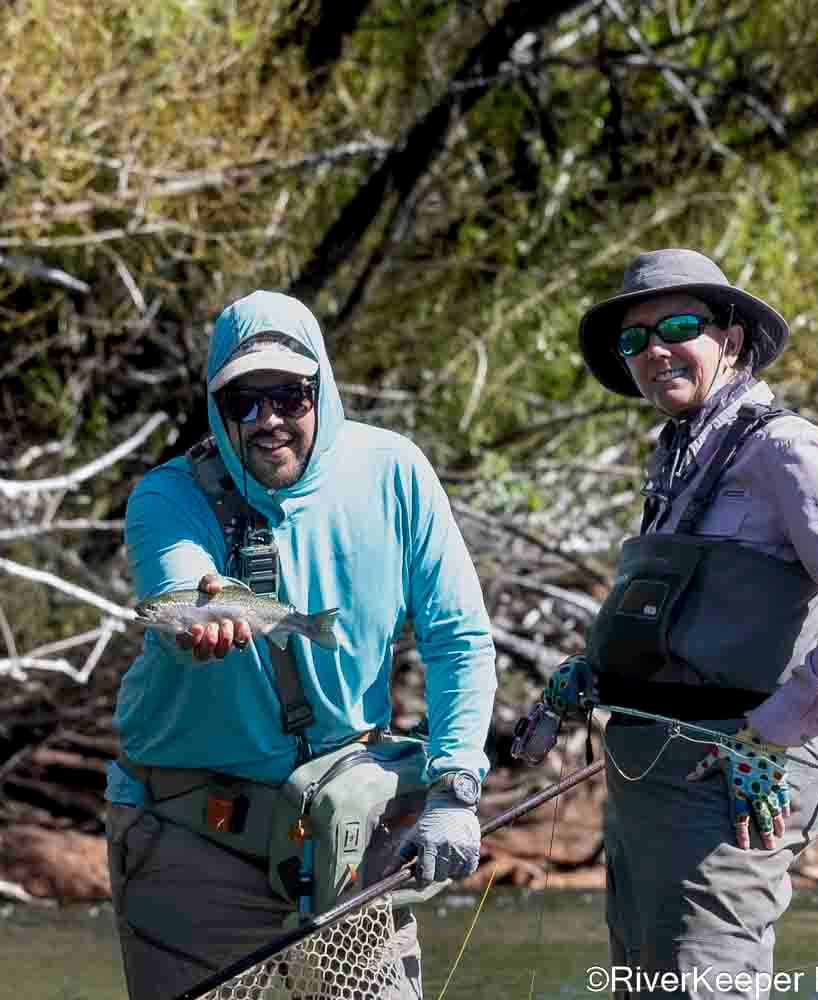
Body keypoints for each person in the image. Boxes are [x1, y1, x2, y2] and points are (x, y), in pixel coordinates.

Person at [105, 290, 497, 1000]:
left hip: (346, 830)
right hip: (191, 839)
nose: (269, 421)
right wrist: (199, 616)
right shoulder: (165, 496)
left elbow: (459, 638)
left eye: (288, 395)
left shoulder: (395, 470)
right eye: (243, 403)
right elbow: (181, 575)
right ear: (216, 408)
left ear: (322, 386)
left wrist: (456, 786)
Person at [522, 249, 818, 998]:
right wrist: (585, 678)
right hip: (650, 782)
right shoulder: (682, 455)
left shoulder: (785, 451)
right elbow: (690, 618)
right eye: (634, 340)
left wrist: (777, 730)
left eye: (679, 326)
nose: (655, 351)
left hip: (736, 783)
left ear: (731, 337)